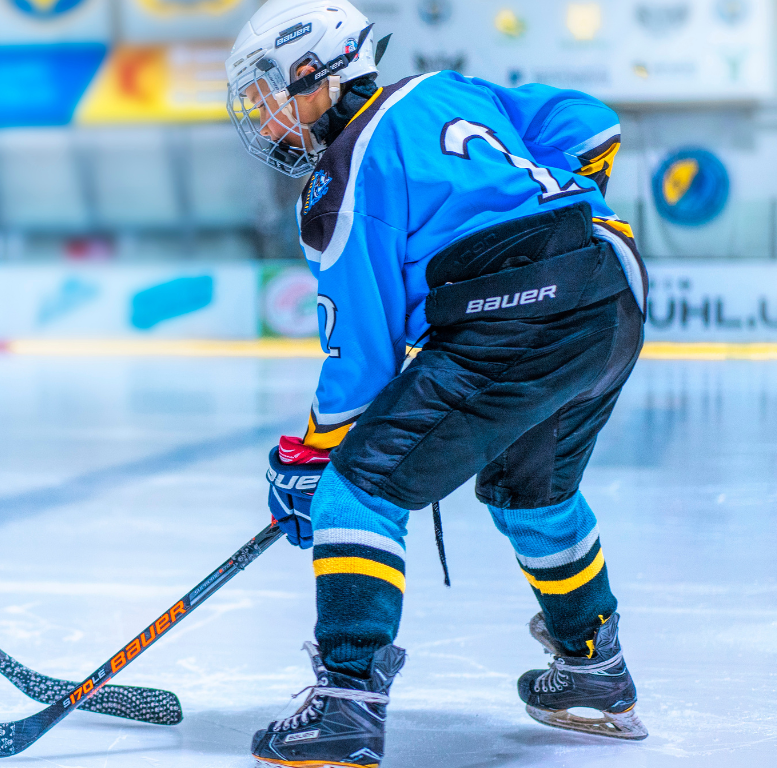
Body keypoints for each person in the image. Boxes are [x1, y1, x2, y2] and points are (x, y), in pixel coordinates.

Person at [226, 1, 649, 765]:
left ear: (319, 71)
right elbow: (592, 124)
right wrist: (555, 212)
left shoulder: (339, 180)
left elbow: (361, 363)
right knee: (536, 491)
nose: (266, 115)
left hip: (516, 311)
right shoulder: (448, 90)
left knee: (357, 491)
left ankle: (347, 701)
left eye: (270, 90)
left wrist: (311, 462)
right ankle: (595, 668)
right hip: (611, 287)